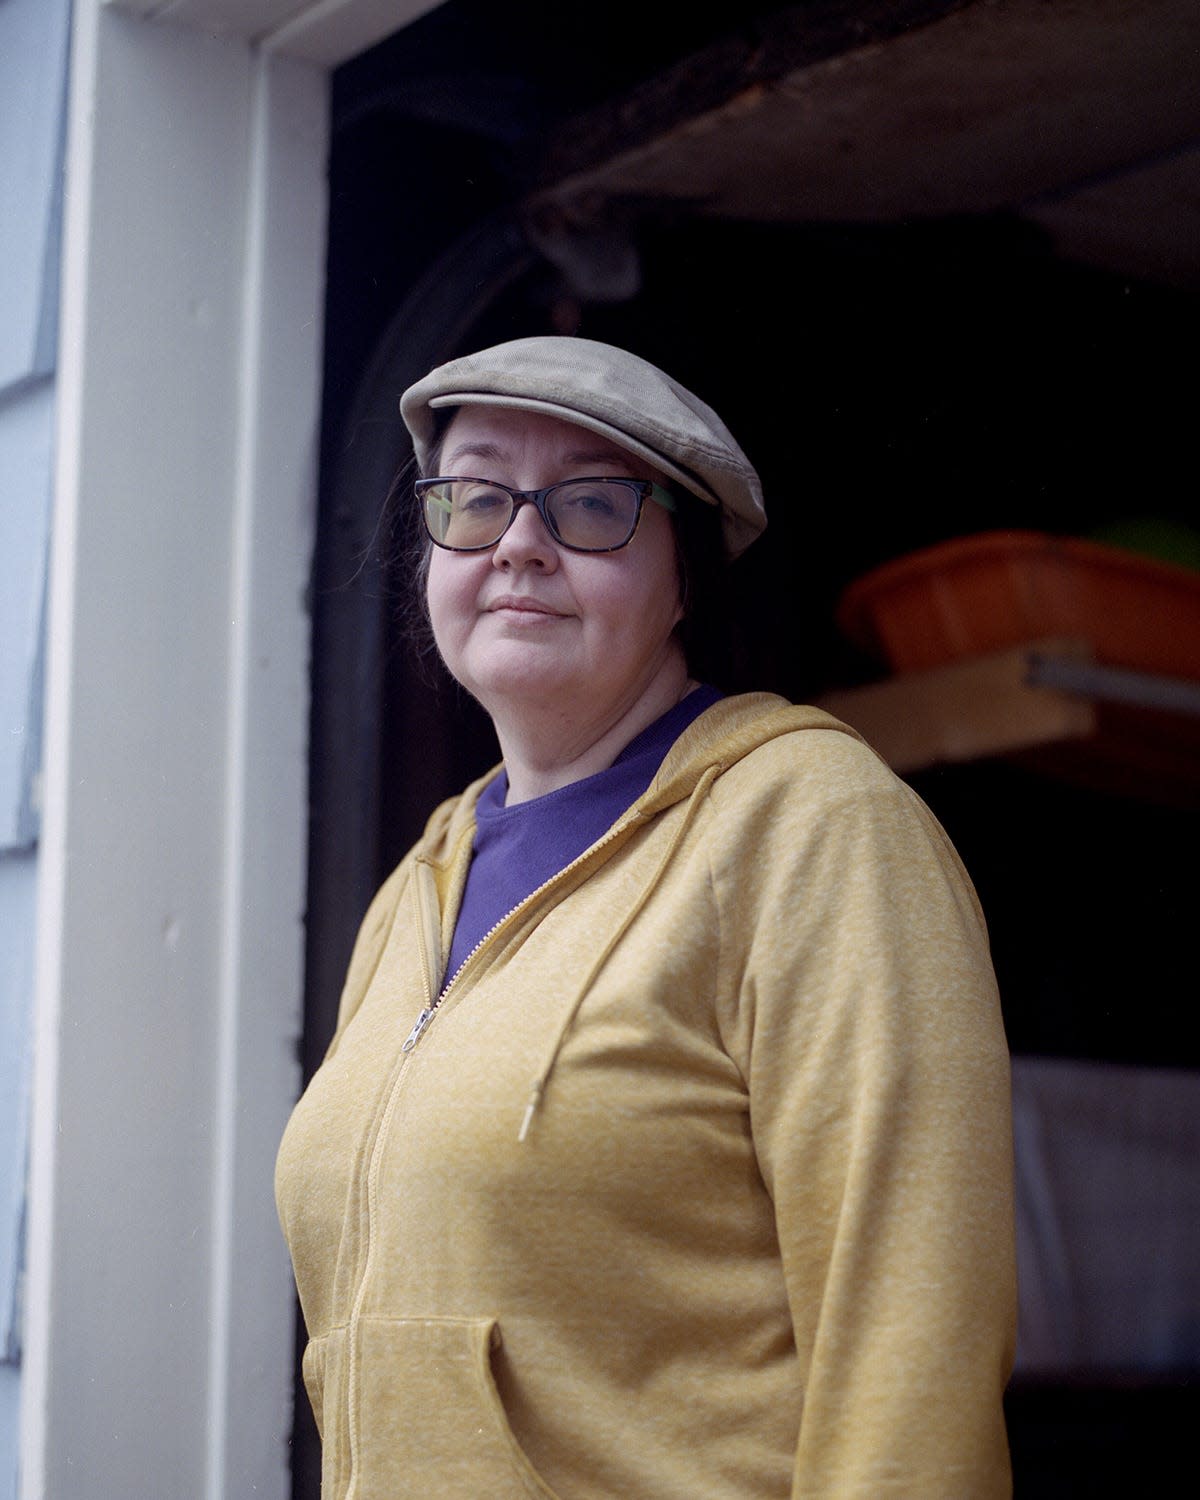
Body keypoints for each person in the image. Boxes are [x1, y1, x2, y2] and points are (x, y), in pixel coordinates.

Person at [275, 336, 1016, 1499]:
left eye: (592, 504)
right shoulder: (419, 882)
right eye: (473, 499)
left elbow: (910, 1343)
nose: (520, 540)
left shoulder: (813, 827)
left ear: (685, 578)